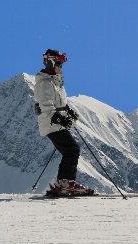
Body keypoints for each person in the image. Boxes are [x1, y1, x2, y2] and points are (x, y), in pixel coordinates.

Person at [34, 49, 93, 195]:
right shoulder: (45, 82)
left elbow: (59, 102)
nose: (61, 66)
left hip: (55, 122)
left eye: (62, 63)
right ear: (50, 62)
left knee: (70, 150)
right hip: (50, 123)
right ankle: (66, 183)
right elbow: (46, 106)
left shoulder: (56, 80)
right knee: (72, 149)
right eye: (59, 63)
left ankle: (63, 183)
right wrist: (59, 118)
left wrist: (68, 111)